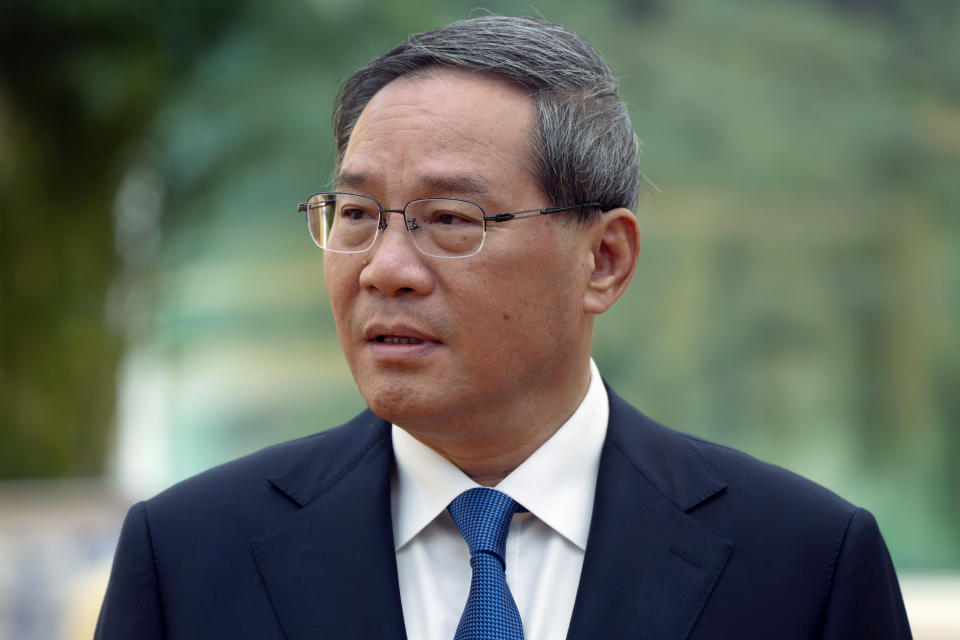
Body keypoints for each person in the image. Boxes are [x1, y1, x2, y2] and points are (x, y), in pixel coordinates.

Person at [95, 15, 912, 640]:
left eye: (449, 218)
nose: (384, 268)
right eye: (356, 214)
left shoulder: (804, 566)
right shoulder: (189, 557)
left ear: (604, 260)